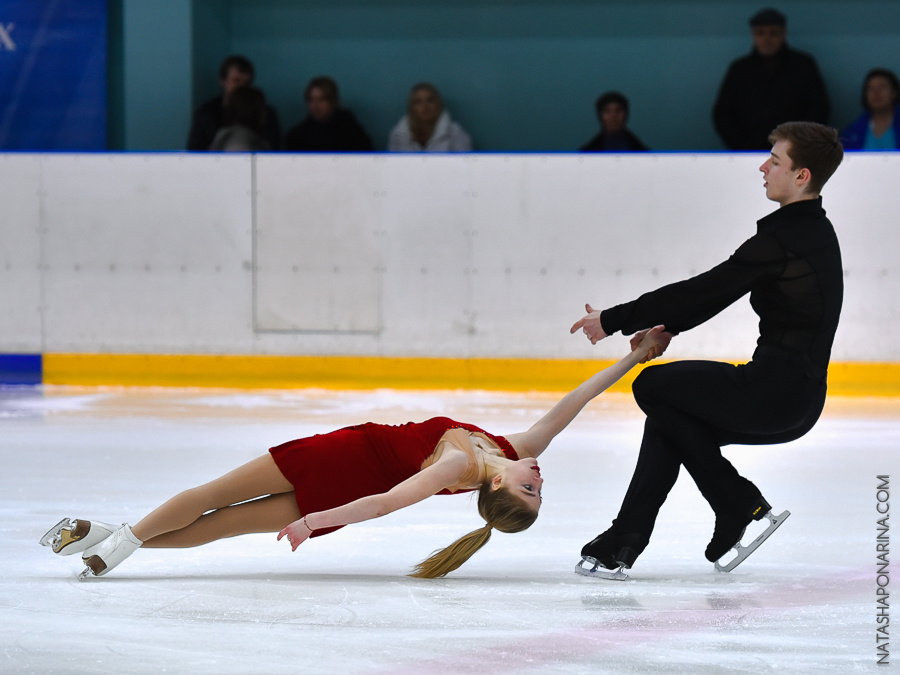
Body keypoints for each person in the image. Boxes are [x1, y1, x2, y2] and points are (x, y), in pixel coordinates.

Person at [40, 328, 666, 580]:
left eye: (531, 490)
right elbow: (571, 405)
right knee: (220, 523)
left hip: (340, 464)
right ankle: (106, 540)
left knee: (215, 502)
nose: (539, 478)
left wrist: (315, 520)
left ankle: (112, 548)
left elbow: (388, 502)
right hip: (343, 480)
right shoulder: (513, 448)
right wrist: (632, 358)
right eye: (540, 489)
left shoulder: (463, 466)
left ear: (499, 490)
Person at [570, 121, 844, 574]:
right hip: (799, 398)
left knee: (654, 386)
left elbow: (706, 290)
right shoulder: (812, 231)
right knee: (670, 419)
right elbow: (710, 297)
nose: (763, 167)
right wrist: (665, 326)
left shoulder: (783, 241)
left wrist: (613, 319)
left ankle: (734, 499)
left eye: (775, 161)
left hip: (774, 393)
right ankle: (627, 536)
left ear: (802, 176)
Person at [713, 8, 829, 150]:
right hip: (746, 151)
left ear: (783, 34)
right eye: (761, 33)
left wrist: (798, 142)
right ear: (753, 35)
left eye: (774, 33)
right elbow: (723, 113)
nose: (767, 39)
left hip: (794, 150)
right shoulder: (739, 70)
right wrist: (740, 145)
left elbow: (819, 107)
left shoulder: (803, 66)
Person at [186, 55, 281, 151]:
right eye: (236, 81)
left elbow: (272, 149)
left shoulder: (266, 113)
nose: (242, 87)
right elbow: (194, 153)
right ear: (223, 81)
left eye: (247, 83)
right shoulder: (206, 114)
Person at [283, 76, 373, 152]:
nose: (315, 105)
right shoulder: (297, 136)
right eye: (311, 100)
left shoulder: (351, 131)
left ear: (333, 101)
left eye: (321, 100)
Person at [387, 83, 472, 152]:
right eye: (418, 102)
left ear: (438, 104)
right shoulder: (398, 134)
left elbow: (465, 167)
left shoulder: (455, 133)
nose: (425, 106)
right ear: (411, 107)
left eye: (430, 100)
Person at [841, 68, 900, 150]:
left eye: (882, 87)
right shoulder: (852, 132)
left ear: (894, 92)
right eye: (870, 88)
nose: (876, 92)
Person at [580, 91, 648, 152]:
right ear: (600, 115)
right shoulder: (586, 153)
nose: (613, 116)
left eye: (618, 111)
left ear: (626, 114)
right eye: (607, 111)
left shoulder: (643, 153)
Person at [209, 86, 271, 152]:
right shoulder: (239, 140)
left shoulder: (229, 135)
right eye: (262, 108)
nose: (265, 113)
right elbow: (238, 160)